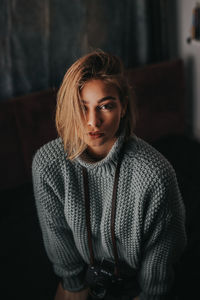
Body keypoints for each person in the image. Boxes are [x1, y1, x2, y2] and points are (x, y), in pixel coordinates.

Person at [32, 50, 187, 300]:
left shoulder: (156, 175)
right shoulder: (48, 164)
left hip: (137, 286)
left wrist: (151, 294)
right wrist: (72, 282)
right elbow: (56, 233)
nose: (93, 121)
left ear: (123, 107)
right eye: (82, 108)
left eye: (105, 106)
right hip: (82, 279)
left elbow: (162, 252)